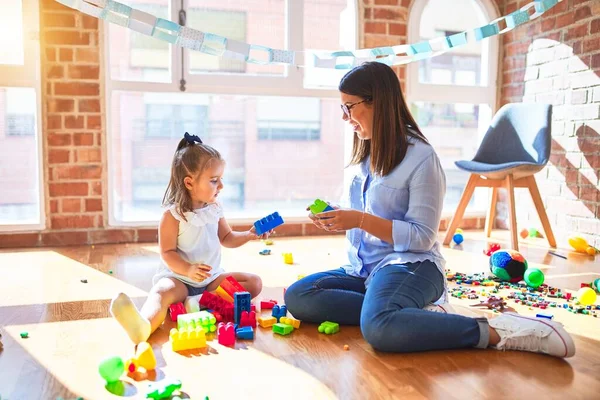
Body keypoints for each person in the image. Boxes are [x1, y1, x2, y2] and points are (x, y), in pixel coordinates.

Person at [284, 62, 575, 358]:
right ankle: (410, 313)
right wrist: (339, 215)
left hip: (411, 265)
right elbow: (366, 212)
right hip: (364, 270)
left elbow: (422, 237)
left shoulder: (422, 158)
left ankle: (501, 330)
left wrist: (358, 220)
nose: (345, 118)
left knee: (379, 327)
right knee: (299, 296)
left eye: (349, 107)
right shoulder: (365, 152)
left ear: (376, 102)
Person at [110, 133, 268, 344]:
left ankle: (197, 301)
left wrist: (249, 235)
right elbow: (167, 253)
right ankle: (144, 325)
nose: (221, 186)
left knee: (253, 283)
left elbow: (227, 237)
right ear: (189, 183)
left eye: (221, 179)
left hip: (211, 280)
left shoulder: (214, 208)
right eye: (214, 180)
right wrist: (188, 270)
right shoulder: (172, 215)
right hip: (180, 279)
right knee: (161, 293)